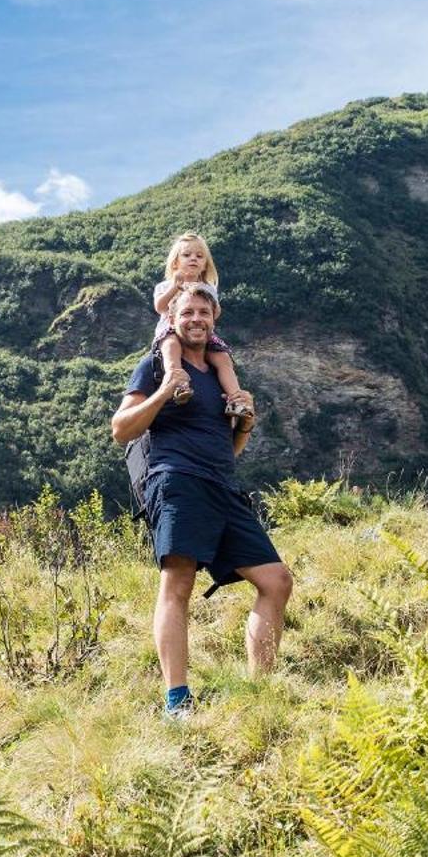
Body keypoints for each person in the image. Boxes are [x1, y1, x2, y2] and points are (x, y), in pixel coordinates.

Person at [111, 282, 292, 718]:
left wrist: (245, 423)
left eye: (203, 314)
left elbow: (227, 450)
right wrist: (164, 391)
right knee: (179, 584)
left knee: (277, 581)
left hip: (222, 487)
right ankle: (177, 700)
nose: (195, 320)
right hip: (176, 482)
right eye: (187, 313)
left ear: (214, 322)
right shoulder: (154, 366)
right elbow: (121, 429)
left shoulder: (218, 377)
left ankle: (258, 692)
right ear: (172, 320)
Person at [152, 232, 249, 419]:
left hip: (201, 334)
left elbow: (216, 311)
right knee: (171, 350)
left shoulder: (208, 288)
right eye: (187, 255)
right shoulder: (166, 285)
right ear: (175, 262)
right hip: (171, 331)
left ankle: (236, 399)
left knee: (223, 358)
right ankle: (179, 385)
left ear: (205, 263)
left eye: (199, 256)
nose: (193, 259)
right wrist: (176, 287)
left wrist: (209, 309)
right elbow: (160, 307)